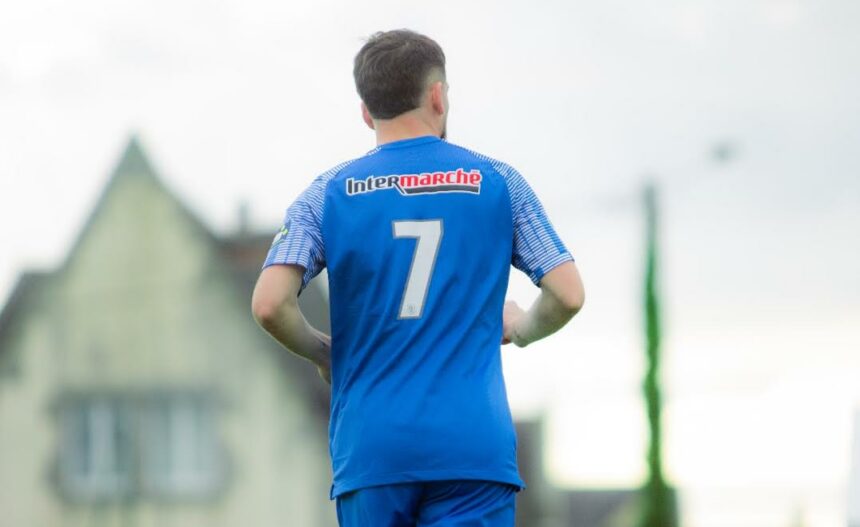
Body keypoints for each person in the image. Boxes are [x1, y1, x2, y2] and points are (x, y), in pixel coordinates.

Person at [252, 29, 584, 527]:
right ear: (438, 96)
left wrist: (326, 353)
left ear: (366, 111)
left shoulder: (325, 195)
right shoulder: (499, 182)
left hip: (372, 452)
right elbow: (568, 293)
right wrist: (520, 327)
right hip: (473, 449)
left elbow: (270, 303)